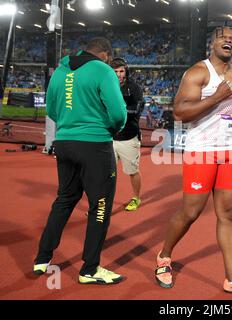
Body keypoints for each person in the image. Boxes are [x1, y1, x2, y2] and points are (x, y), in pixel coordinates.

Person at [155, 26, 232, 298]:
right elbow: (179, 112)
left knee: (227, 216)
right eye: (222, 37)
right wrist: (216, 97)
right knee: (190, 213)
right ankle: (163, 256)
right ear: (212, 43)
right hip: (201, 151)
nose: (228, 41)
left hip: (230, 152)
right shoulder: (198, 72)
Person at [33, 37, 127, 285]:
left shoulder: (60, 71)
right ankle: (90, 269)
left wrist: (68, 123)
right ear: (106, 54)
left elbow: (51, 110)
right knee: (101, 205)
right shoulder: (102, 70)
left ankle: (42, 258)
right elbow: (118, 112)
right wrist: (113, 127)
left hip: (64, 143)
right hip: (95, 144)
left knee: (64, 199)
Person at [110, 58, 145, 212]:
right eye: (115, 71)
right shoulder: (106, 86)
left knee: (132, 171)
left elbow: (137, 109)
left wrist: (117, 110)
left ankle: (136, 198)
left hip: (128, 137)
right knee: (105, 173)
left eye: (121, 71)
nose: (118, 74)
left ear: (126, 71)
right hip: (109, 137)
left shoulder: (134, 87)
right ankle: (103, 203)